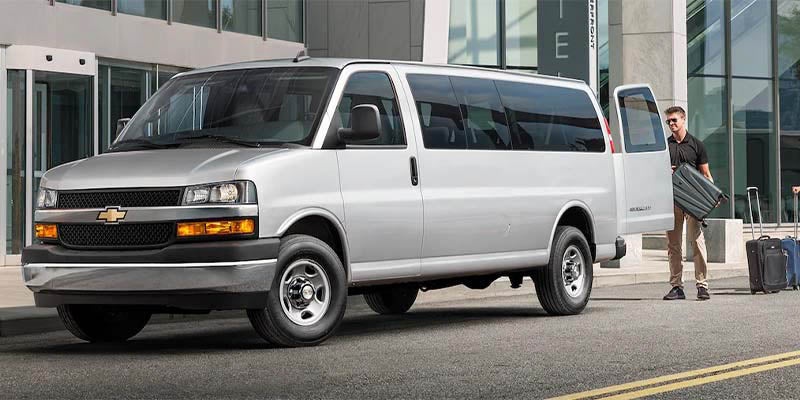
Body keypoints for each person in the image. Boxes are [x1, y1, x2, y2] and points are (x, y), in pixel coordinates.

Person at [662, 106, 713, 301]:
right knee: (673, 245)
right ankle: (677, 287)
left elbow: (706, 175)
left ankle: (702, 285)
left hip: (693, 202)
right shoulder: (665, 146)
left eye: (674, 120)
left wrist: (710, 199)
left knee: (697, 242)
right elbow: (656, 174)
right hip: (672, 201)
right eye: (669, 121)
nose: (671, 124)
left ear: (683, 120)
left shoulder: (697, 145)